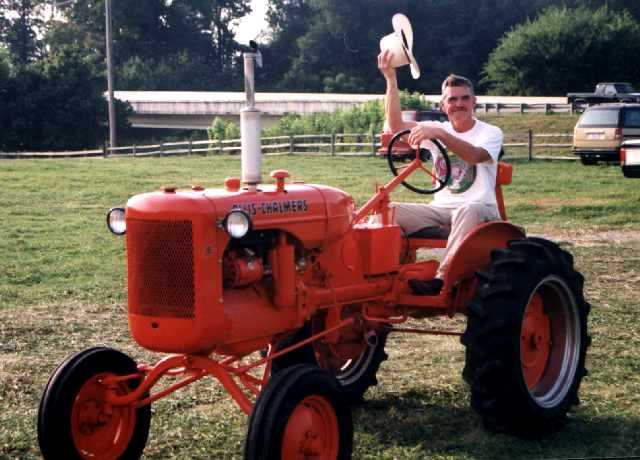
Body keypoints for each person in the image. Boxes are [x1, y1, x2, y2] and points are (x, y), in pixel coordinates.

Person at [378, 49, 504, 296]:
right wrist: (391, 80)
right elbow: (395, 126)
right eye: (452, 100)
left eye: (464, 98)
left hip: (481, 209)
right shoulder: (436, 129)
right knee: (387, 212)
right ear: (443, 105)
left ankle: (441, 279)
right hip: (442, 209)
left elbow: (475, 156)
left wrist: (442, 135)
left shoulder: (490, 132)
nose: (459, 104)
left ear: (474, 102)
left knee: (469, 209)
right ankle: (386, 280)